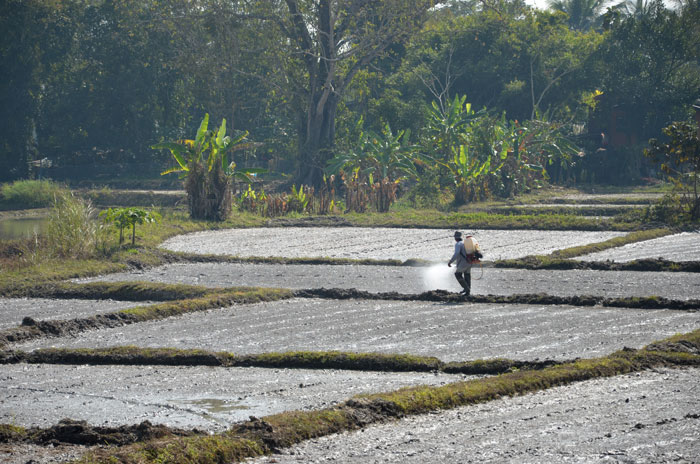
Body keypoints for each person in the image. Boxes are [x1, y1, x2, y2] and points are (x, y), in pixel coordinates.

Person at [448, 230, 475, 296]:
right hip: (470, 262)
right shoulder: (465, 243)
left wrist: (450, 262)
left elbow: (456, 253)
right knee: (467, 275)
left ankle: (466, 289)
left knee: (457, 274)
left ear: (455, 238)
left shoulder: (458, 244)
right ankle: (467, 291)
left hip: (464, 263)